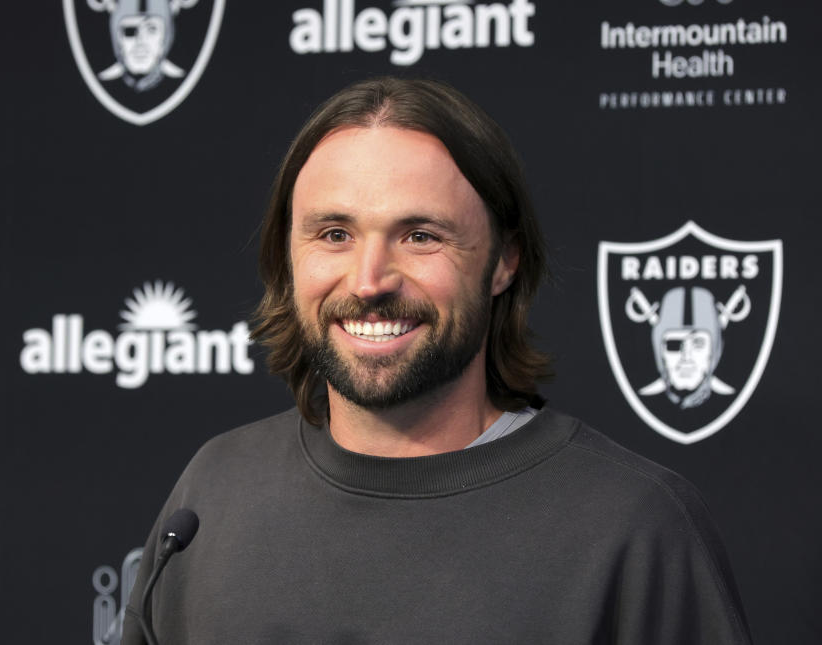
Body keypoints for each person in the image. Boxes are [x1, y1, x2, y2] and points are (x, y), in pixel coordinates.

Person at [123, 77, 752, 644]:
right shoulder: (213, 492)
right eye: (334, 234)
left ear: (504, 261)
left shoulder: (634, 527)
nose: (369, 280)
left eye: (420, 236)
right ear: (286, 257)